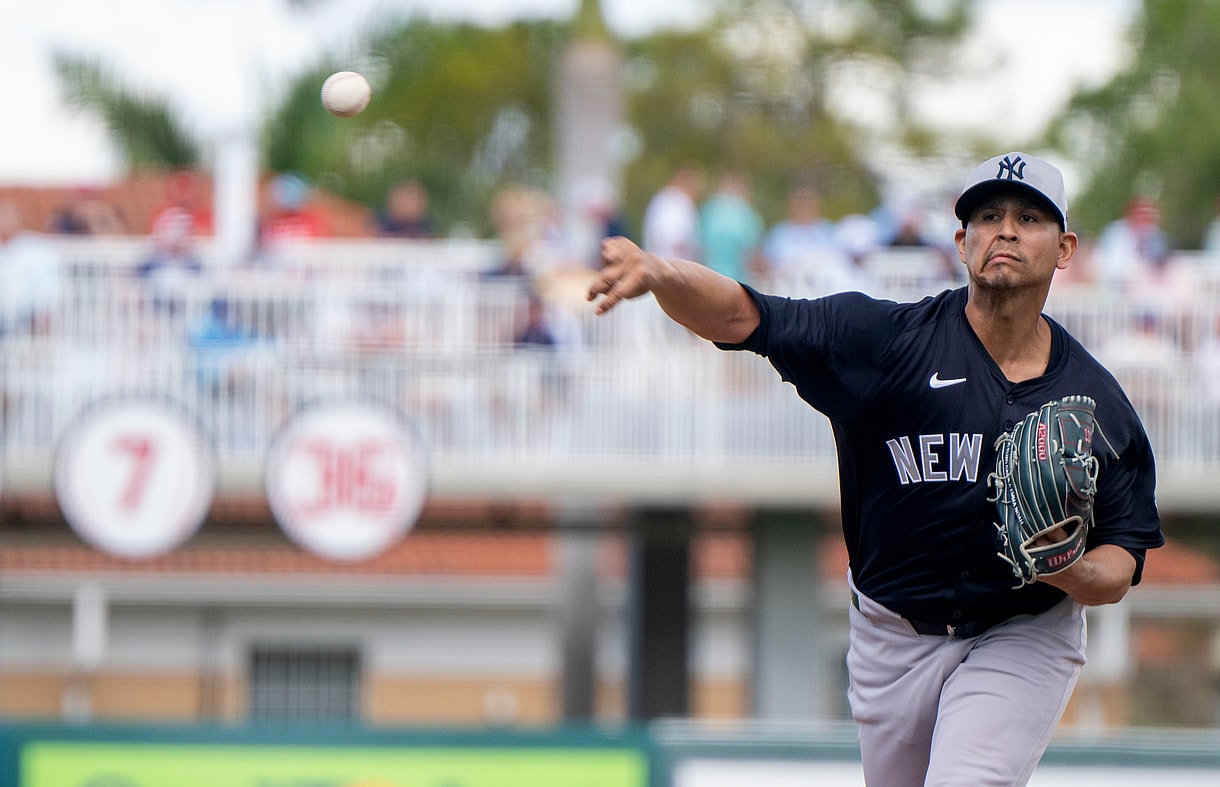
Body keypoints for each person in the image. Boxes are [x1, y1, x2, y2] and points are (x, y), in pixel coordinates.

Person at [587, 151, 1164, 786]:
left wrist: (1070, 567)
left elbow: (1123, 559)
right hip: (892, 636)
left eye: (1029, 218)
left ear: (1065, 248)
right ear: (960, 242)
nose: (1005, 230)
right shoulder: (884, 344)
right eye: (988, 216)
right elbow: (743, 316)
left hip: (1022, 629)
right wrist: (660, 270)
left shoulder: (1093, 402)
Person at [697, 171, 764, 284]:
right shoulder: (746, 214)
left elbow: (699, 246)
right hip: (736, 278)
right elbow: (751, 253)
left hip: (710, 274)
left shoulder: (709, 210)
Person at [642, 163, 705, 262]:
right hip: (673, 265)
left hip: (655, 262)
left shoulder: (661, 198)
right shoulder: (681, 202)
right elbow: (676, 238)